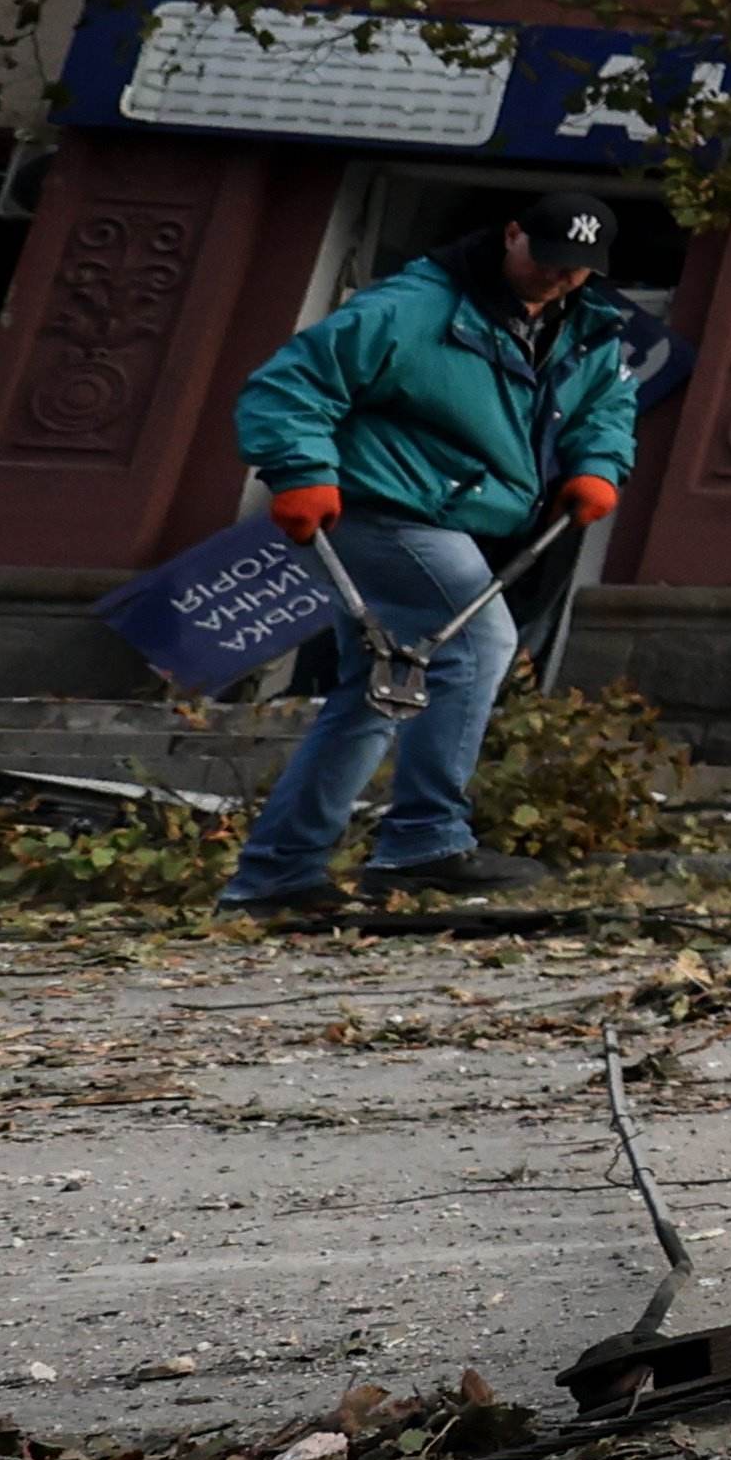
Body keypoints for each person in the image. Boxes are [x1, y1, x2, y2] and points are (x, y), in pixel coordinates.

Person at [217, 194, 638, 918]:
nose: (558, 278)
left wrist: (597, 462)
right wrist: (300, 470)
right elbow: (291, 382)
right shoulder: (414, 306)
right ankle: (423, 842)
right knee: (479, 643)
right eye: (546, 258)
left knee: (376, 693)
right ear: (511, 235)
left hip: (450, 513)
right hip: (382, 507)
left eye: (577, 270)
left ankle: (276, 877)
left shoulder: (586, 323)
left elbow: (605, 405)